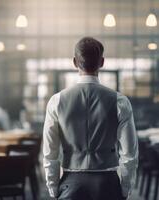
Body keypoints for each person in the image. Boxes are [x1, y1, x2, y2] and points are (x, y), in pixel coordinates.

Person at [43, 37, 138, 200]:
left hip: (70, 183)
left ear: (74, 62)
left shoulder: (56, 101)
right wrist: (125, 187)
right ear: (102, 62)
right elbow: (129, 153)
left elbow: (50, 152)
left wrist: (53, 187)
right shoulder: (120, 102)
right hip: (107, 183)